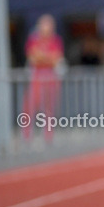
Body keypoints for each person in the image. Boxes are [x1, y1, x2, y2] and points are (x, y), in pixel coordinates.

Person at [22, 14, 64, 143]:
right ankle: (27, 135)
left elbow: (56, 58)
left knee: (49, 108)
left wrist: (43, 57)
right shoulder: (33, 39)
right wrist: (47, 58)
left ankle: (48, 136)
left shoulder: (56, 40)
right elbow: (33, 57)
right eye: (45, 25)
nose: (47, 28)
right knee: (30, 107)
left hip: (51, 79)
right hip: (36, 79)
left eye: (49, 25)